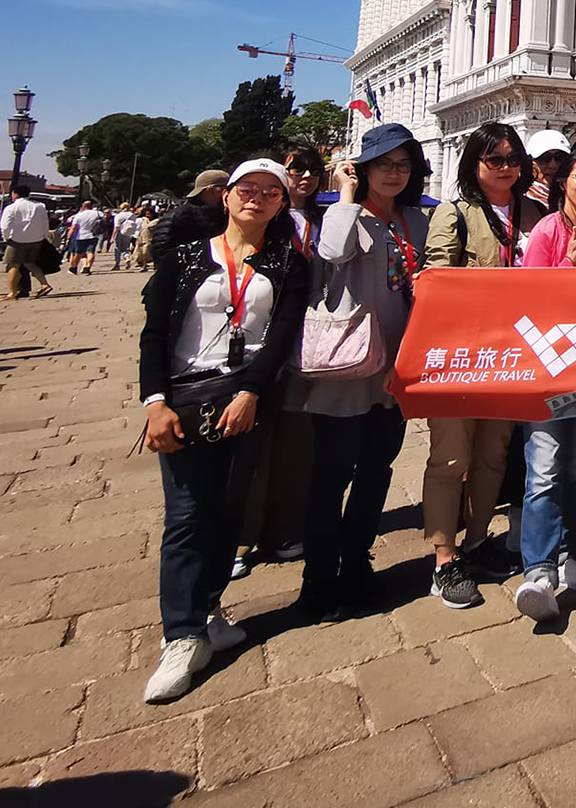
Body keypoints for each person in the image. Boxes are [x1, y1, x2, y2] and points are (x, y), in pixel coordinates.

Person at [139, 158, 309, 703]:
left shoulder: (287, 262)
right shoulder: (187, 257)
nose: (257, 198)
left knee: (230, 508)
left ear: (282, 204)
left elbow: (282, 334)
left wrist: (251, 392)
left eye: (270, 192)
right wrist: (155, 401)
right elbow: (155, 333)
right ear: (227, 196)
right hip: (187, 395)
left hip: (247, 394)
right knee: (188, 514)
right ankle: (180, 635)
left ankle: (208, 607)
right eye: (247, 189)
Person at [290, 126, 428, 622]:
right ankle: (318, 579)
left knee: (376, 472)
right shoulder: (343, 215)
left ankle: (357, 564)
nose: (393, 172)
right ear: (362, 169)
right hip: (346, 365)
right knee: (330, 478)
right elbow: (331, 254)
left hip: (395, 368)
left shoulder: (415, 219)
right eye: (382, 163)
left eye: (402, 164)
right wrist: (345, 193)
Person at [420, 122, 542, 608]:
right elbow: (436, 278)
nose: (507, 167)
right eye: (496, 159)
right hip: (462, 352)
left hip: (513, 352)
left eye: (514, 159)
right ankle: (443, 557)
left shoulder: (533, 212)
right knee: (451, 456)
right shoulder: (455, 213)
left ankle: (476, 539)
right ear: (475, 163)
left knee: (494, 451)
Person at [513, 147, 576, 622]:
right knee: (545, 467)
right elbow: (529, 296)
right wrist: (571, 267)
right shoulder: (548, 231)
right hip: (546, 369)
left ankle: (565, 556)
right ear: (563, 183)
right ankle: (537, 568)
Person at [231, 146, 328, 580]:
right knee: (251, 445)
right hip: (257, 339)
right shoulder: (267, 221)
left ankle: (286, 528)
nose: (304, 177)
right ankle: (239, 537)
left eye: (312, 170)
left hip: (307, 338)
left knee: (296, 442)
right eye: (296, 170)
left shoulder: (323, 219)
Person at [153, 170, 231, 266]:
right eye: (226, 189)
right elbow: (160, 250)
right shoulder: (179, 215)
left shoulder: (225, 215)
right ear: (211, 190)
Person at [0, 186, 54, 301]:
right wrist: (44, 236)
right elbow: (45, 223)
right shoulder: (40, 206)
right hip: (36, 239)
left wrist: (6, 238)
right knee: (29, 263)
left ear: (15, 194)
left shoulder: (11, 208)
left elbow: (5, 226)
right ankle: (44, 284)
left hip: (18, 240)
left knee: (13, 265)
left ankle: (12, 292)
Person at [523, 129, 572, 211]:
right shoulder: (521, 203)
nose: (553, 165)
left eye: (560, 158)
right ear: (531, 162)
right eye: (545, 158)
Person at [65, 200, 104, 275]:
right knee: (91, 252)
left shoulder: (79, 215)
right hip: (94, 235)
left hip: (81, 236)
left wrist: (68, 237)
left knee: (78, 253)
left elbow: (73, 227)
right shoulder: (98, 213)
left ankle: (74, 268)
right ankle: (88, 267)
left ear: (83, 206)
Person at [112, 204, 141, 272]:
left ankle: (117, 264)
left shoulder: (119, 216)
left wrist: (112, 236)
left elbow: (116, 227)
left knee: (117, 248)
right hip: (128, 233)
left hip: (120, 232)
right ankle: (127, 256)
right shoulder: (132, 215)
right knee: (125, 247)